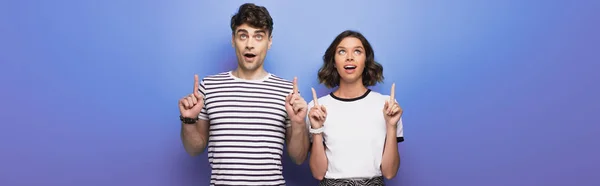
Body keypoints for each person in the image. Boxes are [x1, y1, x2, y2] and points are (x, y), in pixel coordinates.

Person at [178, 3, 310, 186]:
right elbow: (194, 149)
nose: (249, 44)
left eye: (258, 36)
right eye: (243, 36)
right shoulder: (209, 87)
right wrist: (188, 121)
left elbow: (299, 157)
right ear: (233, 39)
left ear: (269, 41)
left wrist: (298, 123)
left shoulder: (287, 92)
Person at [306, 30, 404, 186]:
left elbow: (390, 172)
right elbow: (318, 174)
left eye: (357, 51)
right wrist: (317, 129)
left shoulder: (387, 106)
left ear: (366, 60)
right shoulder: (317, 108)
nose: (349, 57)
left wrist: (391, 126)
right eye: (342, 51)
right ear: (333, 61)